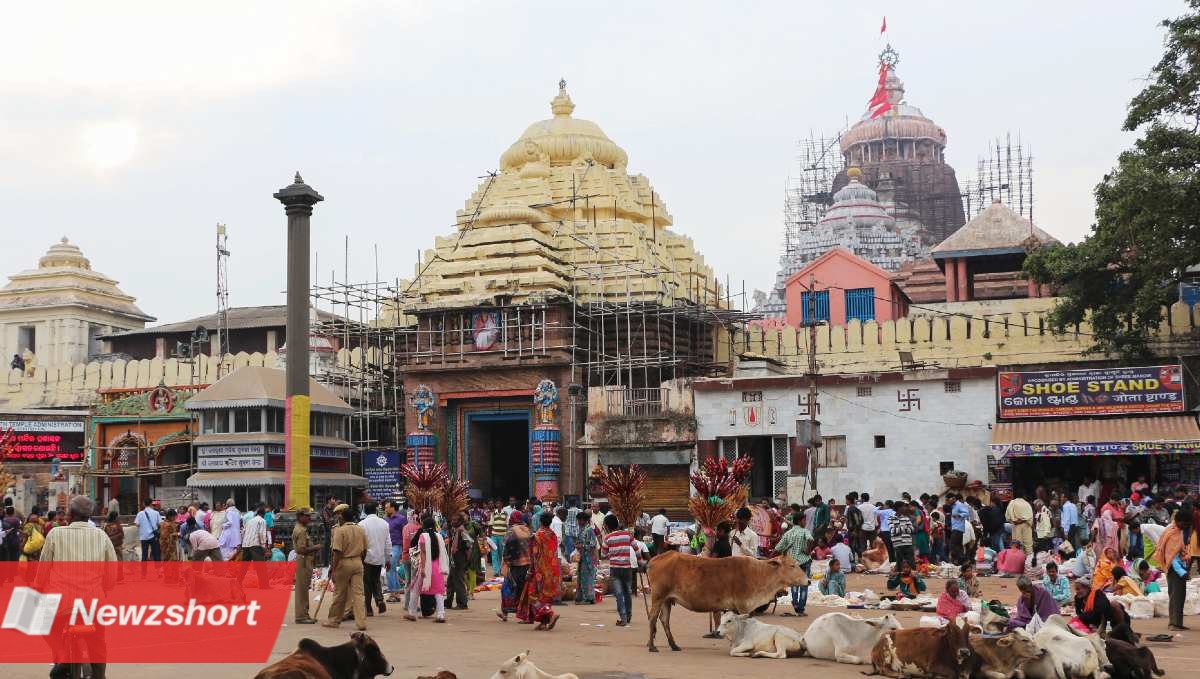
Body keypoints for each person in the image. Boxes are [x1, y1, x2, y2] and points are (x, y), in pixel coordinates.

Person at [37, 495, 117, 679]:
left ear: (70, 514)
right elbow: (112, 572)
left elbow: (42, 569)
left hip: (61, 603)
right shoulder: (101, 535)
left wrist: (39, 586)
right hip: (94, 603)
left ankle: (62, 657)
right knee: (98, 643)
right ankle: (99, 676)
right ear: (89, 515)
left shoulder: (55, 534)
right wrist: (104, 588)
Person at [516, 511, 562, 630]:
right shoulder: (552, 535)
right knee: (546, 597)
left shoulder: (537, 536)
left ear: (540, 522)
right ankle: (543, 622)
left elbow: (534, 556)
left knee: (533, 596)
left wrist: (530, 571)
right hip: (553, 570)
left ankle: (550, 614)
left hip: (540, 571)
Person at [326, 505, 369, 629]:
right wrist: (361, 561)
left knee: (340, 592)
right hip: (358, 562)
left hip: (343, 562)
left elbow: (337, 552)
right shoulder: (360, 529)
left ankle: (334, 620)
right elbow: (365, 549)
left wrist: (334, 569)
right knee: (359, 594)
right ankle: (361, 622)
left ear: (343, 518)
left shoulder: (340, 530)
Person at [1152, 505, 1192, 631]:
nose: (1186, 526)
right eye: (1185, 524)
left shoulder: (1175, 530)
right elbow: (1172, 557)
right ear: (1179, 521)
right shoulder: (1173, 533)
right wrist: (1182, 572)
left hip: (1177, 569)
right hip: (1175, 570)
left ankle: (1177, 623)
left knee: (1179, 596)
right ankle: (1174, 624)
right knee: (1176, 596)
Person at [405, 514, 449, 623]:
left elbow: (423, 553)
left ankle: (412, 613)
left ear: (423, 525)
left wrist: (424, 568)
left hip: (427, 567)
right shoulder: (438, 536)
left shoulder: (423, 536)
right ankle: (440, 614)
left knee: (415, 589)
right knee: (439, 591)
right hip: (437, 567)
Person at [774, 512, 814, 616]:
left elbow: (778, 547)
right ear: (800, 521)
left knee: (794, 584)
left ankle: (795, 604)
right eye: (804, 520)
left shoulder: (788, 533)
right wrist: (808, 550)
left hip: (793, 564)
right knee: (804, 585)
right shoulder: (805, 531)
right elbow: (810, 539)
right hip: (804, 561)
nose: (805, 522)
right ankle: (801, 609)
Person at [498, 511, 532, 623]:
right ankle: (524, 614)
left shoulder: (511, 531)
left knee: (508, 588)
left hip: (516, 565)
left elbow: (507, 547)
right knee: (524, 590)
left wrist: (506, 562)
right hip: (528, 564)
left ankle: (506, 612)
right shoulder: (527, 530)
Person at [601, 513, 635, 627]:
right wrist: (639, 561)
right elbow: (636, 548)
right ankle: (629, 615)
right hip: (627, 568)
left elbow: (603, 554)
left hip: (615, 568)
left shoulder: (607, 538)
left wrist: (612, 552)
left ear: (607, 526)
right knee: (627, 592)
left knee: (619, 593)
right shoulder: (627, 535)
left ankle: (623, 617)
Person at [359, 502, 391, 616]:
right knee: (376, 580)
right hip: (379, 557)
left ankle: (368, 608)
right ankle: (379, 599)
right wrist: (388, 558)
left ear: (365, 511)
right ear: (376, 511)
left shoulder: (361, 524)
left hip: (366, 558)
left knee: (366, 583)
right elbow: (388, 543)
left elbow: (360, 543)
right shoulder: (384, 524)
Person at [289, 507, 319, 624]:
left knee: (304, 588)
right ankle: (301, 616)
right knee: (302, 589)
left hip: (304, 561)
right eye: (307, 516)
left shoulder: (301, 529)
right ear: (300, 517)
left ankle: (304, 614)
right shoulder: (301, 531)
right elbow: (302, 549)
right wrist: (315, 548)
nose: (309, 518)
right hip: (303, 561)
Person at [445, 511, 472, 610]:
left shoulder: (462, 532)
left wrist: (466, 562)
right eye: (452, 520)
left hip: (460, 560)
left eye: (455, 520)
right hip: (454, 560)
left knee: (458, 581)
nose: (453, 521)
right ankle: (448, 602)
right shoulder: (455, 531)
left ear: (460, 521)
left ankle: (462, 603)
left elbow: (469, 547)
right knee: (450, 581)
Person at [240, 503, 270, 589]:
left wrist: (243, 543)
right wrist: (265, 548)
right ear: (263, 514)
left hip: (246, 544)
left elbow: (243, 532)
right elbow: (261, 534)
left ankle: (238, 582)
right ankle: (264, 586)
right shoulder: (262, 521)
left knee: (244, 567)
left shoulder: (250, 521)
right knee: (261, 567)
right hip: (255, 545)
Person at [384, 500, 408, 603]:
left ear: (393, 508)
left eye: (387, 507)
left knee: (390, 568)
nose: (385, 509)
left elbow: (406, 533)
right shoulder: (385, 519)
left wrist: (405, 549)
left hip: (397, 546)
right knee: (391, 568)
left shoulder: (402, 519)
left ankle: (393, 593)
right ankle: (396, 593)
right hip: (387, 547)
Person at [574, 510, 598, 604]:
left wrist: (582, 546)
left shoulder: (589, 530)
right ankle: (582, 596)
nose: (579, 522)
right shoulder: (582, 529)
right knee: (582, 576)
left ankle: (589, 598)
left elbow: (593, 544)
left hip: (588, 558)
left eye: (580, 520)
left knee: (587, 577)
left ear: (584, 520)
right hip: (583, 557)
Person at [135, 498, 161, 577]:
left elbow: (137, 524)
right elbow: (160, 523)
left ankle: (143, 574)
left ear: (144, 504)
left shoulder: (140, 513)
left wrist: (144, 526)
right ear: (151, 504)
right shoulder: (156, 513)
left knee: (144, 555)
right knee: (156, 554)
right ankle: (158, 572)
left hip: (144, 537)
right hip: (154, 536)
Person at [890, 502, 916, 569]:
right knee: (899, 564)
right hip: (898, 544)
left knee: (912, 563)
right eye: (903, 507)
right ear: (899, 508)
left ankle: (913, 578)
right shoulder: (891, 519)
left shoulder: (906, 518)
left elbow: (912, 529)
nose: (905, 508)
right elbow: (893, 531)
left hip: (908, 543)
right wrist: (905, 528)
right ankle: (899, 578)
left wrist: (899, 528)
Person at [159, 508, 180, 583]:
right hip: (169, 546)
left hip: (164, 546)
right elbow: (167, 536)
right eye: (175, 516)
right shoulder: (169, 525)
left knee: (166, 562)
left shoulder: (163, 523)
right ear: (171, 516)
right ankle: (172, 579)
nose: (175, 518)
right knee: (171, 563)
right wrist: (176, 534)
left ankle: (168, 579)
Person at [488, 502, 509, 577]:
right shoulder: (493, 513)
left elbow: (507, 525)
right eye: (497, 504)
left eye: (499, 504)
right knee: (494, 553)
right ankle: (496, 571)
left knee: (501, 553)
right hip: (494, 536)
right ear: (496, 505)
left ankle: (500, 569)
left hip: (502, 536)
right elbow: (490, 525)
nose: (498, 505)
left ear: (502, 505)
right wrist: (490, 536)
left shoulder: (506, 514)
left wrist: (506, 536)